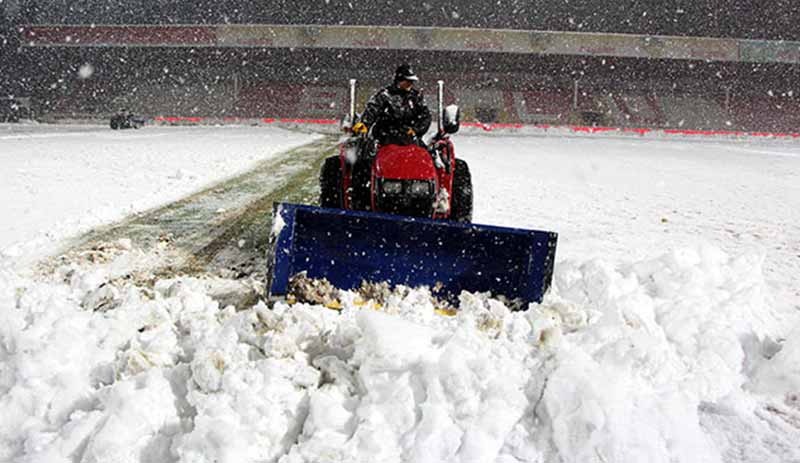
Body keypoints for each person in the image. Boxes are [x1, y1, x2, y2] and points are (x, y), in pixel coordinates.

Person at [352, 64, 432, 145]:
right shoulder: (385, 95)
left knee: (428, 154)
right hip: (384, 138)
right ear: (399, 80)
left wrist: (416, 130)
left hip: (409, 139)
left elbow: (425, 116)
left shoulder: (416, 97)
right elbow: (372, 110)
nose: (410, 84)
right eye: (407, 81)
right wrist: (364, 124)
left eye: (411, 81)